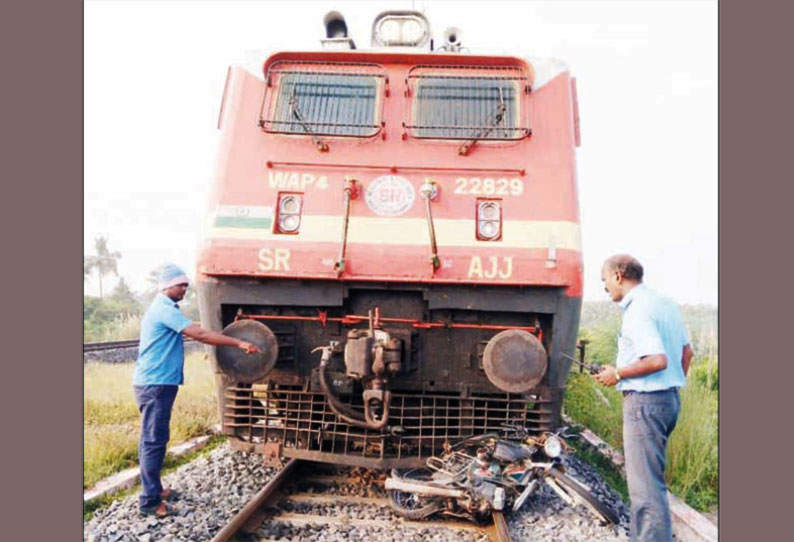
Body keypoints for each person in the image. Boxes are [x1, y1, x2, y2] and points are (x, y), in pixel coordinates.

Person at [133, 263, 261, 517]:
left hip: (158, 382)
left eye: (185, 286)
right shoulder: (163, 309)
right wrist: (238, 342)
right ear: (167, 285)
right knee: (153, 440)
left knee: (156, 438)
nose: (185, 290)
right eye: (181, 285)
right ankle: (148, 501)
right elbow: (200, 334)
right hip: (155, 383)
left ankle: (155, 489)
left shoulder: (165, 308)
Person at [593, 254, 693, 542]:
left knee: (645, 490)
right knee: (652, 484)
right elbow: (686, 354)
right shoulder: (665, 304)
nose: (604, 287)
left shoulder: (637, 310)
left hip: (646, 404)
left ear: (619, 276)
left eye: (604, 280)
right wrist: (670, 385)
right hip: (668, 401)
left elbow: (658, 360)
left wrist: (619, 373)